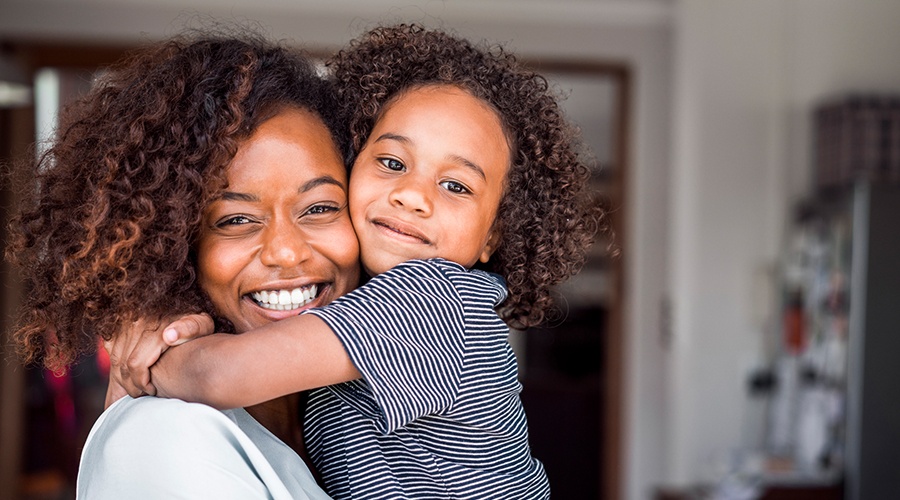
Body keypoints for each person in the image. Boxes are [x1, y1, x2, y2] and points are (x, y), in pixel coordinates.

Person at [116, 24, 609, 499]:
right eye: (392, 163)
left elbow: (216, 377)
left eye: (456, 185)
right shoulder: (351, 313)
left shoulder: (437, 298)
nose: (413, 196)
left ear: (492, 238)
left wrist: (151, 357)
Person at [5, 32, 361, 499]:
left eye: (319, 208)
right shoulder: (165, 436)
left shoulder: (351, 422)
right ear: (172, 249)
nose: (286, 252)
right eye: (235, 219)